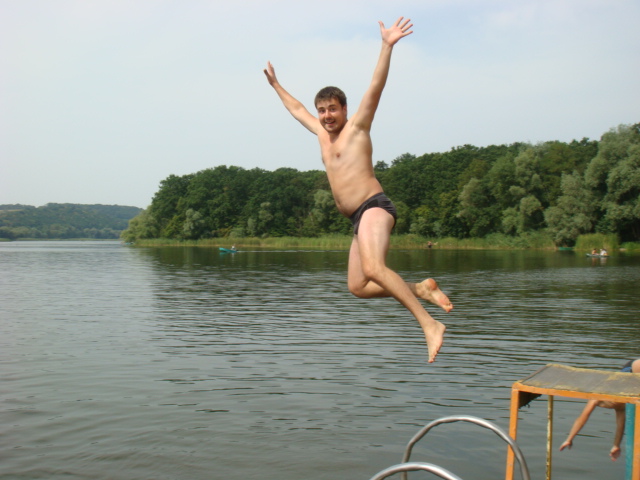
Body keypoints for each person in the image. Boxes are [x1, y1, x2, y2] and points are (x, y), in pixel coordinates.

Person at [264, 17, 452, 362]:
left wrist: (386, 46)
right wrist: (276, 85)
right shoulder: (321, 134)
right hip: (357, 218)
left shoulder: (358, 128)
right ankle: (421, 288)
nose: (326, 116)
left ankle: (429, 324)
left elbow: (375, 87)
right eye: (322, 110)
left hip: (374, 207)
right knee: (359, 286)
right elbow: (296, 109)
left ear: (345, 109)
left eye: (332, 109)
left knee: (375, 269)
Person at [559, 359, 640, 461]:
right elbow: (620, 426)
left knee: (636, 367)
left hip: (628, 371)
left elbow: (582, 419)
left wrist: (569, 438)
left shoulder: (598, 396)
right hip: (628, 383)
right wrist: (616, 445)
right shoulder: (621, 406)